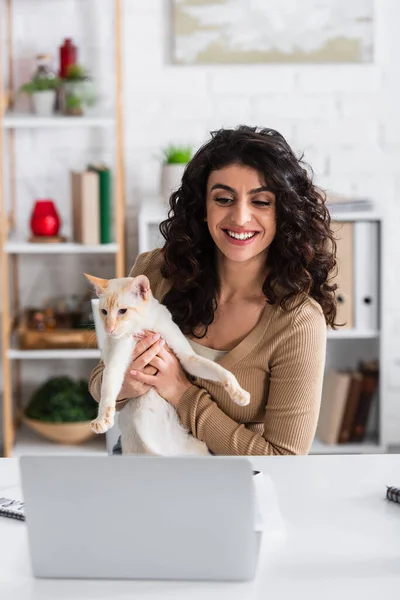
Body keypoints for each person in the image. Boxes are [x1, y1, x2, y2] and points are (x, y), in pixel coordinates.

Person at [89, 125, 338, 456]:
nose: (240, 216)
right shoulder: (155, 272)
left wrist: (180, 391)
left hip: (234, 484)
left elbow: (284, 459)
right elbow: (98, 380)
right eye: (224, 199)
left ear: (283, 212)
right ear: (202, 208)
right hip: (139, 469)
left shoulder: (298, 322)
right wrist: (126, 384)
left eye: (261, 201)